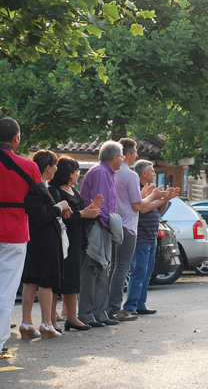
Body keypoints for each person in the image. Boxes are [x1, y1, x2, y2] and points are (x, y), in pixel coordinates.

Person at [107, 139, 164, 322]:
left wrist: (155, 198)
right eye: (136, 152)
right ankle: (116, 308)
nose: (137, 155)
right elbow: (138, 206)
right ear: (127, 155)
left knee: (115, 269)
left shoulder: (108, 172)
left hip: (112, 224)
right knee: (122, 269)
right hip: (127, 227)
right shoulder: (129, 175)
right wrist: (155, 196)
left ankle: (111, 307)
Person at [0, 118, 44, 357]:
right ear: (16, 139)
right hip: (14, 231)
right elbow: (40, 196)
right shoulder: (28, 166)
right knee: (6, 289)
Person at [20, 150, 72, 339]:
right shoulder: (39, 188)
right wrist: (58, 208)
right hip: (45, 239)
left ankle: (26, 322)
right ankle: (46, 323)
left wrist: (57, 209)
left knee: (31, 280)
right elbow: (41, 217)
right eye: (55, 165)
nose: (56, 169)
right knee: (46, 282)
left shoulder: (30, 187)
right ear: (48, 168)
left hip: (32, 238)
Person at [49, 157, 103, 332]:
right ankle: (51, 320)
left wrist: (93, 209)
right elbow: (61, 216)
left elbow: (81, 212)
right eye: (76, 171)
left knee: (72, 281)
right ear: (67, 173)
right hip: (60, 242)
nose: (78, 174)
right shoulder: (54, 192)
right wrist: (83, 213)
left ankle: (72, 318)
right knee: (55, 283)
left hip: (77, 242)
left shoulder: (73, 190)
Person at [123, 160, 179, 315]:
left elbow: (159, 211)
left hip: (151, 237)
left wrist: (166, 199)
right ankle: (130, 306)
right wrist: (160, 198)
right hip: (140, 237)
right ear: (144, 173)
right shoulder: (139, 190)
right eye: (152, 171)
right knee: (138, 271)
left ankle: (140, 304)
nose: (155, 173)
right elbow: (144, 208)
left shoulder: (152, 191)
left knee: (147, 272)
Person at [78, 140, 124, 327]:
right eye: (121, 157)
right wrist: (111, 226)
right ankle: (88, 314)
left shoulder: (106, 172)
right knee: (93, 270)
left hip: (102, 225)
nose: (122, 160)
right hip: (96, 227)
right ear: (115, 157)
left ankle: (99, 313)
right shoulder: (101, 173)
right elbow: (100, 207)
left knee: (102, 271)